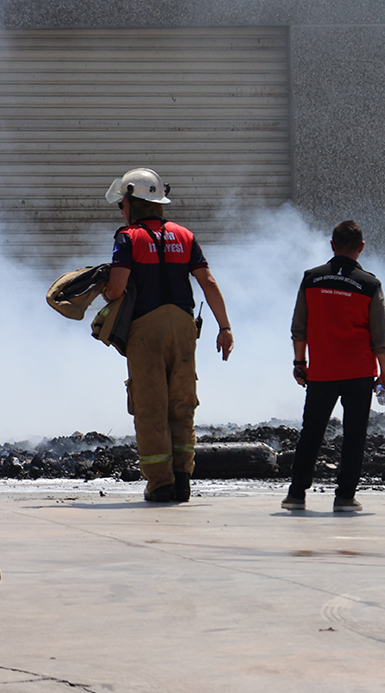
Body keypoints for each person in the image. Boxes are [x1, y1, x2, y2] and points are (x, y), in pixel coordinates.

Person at [101, 167, 233, 503]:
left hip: (146, 329)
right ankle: (183, 479)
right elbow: (209, 283)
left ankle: (160, 483)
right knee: (182, 403)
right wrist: (225, 327)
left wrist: (103, 293)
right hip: (185, 329)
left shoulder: (128, 238)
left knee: (150, 406)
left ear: (134, 201)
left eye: (123, 203)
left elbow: (116, 289)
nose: (121, 210)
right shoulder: (185, 236)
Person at [283, 221, 385, 512]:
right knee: (354, 436)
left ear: (332, 244)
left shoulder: (312, 279)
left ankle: (296, 495)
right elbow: (380, 337)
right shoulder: (370, 284)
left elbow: (298, 327)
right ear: (362, 248)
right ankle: (344, 497)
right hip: (358, 373)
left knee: (311, 433)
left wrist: (299, 361)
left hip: (322, 372)